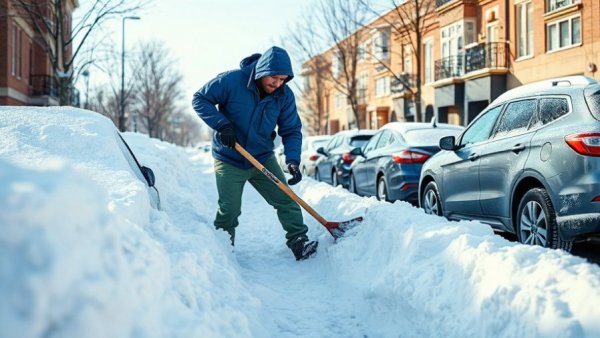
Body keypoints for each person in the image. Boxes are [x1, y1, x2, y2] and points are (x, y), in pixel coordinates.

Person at [192, 46, 318, 261]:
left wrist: (293, 160)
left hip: (261, 157)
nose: (278, 84)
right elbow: (199, 99)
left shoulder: (284, 96)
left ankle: (299, 241)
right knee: (229, 209)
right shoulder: (231, 81)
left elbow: (291, 130)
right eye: (274, 78)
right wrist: (222, 125)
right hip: (229, 157)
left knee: (286, 199)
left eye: (283, 80)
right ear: (262, 71)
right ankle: (224, 251)